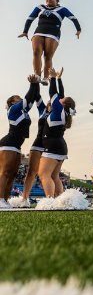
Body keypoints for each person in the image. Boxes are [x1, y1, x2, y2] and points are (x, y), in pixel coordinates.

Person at [18, 0, 81, 85]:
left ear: (57, 1)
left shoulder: (62, 9)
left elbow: (73, 18)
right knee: (36, 52)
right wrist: (25, 31)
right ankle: (37, 75)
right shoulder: (39, 7)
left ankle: (46, 77)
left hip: (53, 32)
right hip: (39, 30)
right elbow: (29, 19)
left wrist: (78, 30)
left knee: (48, 56)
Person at [0, 75, 40, 208]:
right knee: (5, 173)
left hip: (16, 145)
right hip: (8, 144)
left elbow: (32, 98)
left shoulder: (22, 110)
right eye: (17, 97)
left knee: (12, 174)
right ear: (12, 102)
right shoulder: (13, 109)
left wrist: (36, 82)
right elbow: (28, 98)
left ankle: (5, 200)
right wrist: (31, 84)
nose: (20, 98)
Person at [38, 68, 76, 198]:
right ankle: (60, 200)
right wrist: (59, 79)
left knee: (44, 174)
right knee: (54, 175)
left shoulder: (59, 109)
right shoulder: (63, 111)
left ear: (63, 103)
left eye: (62, 99)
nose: (60, 98)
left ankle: (49, 200)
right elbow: (61, 94)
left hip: (53, 146)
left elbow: (53, 93)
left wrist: (53, 78)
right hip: (60, 146)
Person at [20, 92, 51, 206]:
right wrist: (38, 78)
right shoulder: (43, 110)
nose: (51, 103)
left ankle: (53, 199)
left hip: (51, 146)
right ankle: (24, 199)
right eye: (49, 102)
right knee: (31, 172)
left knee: (50, 174)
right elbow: (36, 95)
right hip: (37, 143)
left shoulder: (59, 112)